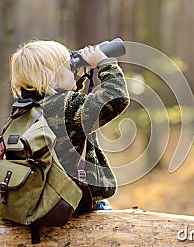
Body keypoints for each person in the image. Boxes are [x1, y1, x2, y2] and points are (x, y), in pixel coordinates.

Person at [9, 39, 130, 210]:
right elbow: (116, 98)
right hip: (79, 204)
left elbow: (67, 105)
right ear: (52, 76)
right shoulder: (67, 108)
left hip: (48, 199)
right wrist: (105, 63)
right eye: (69, 67)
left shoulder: (27, 107)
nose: (73, 70)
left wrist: (76, 77)